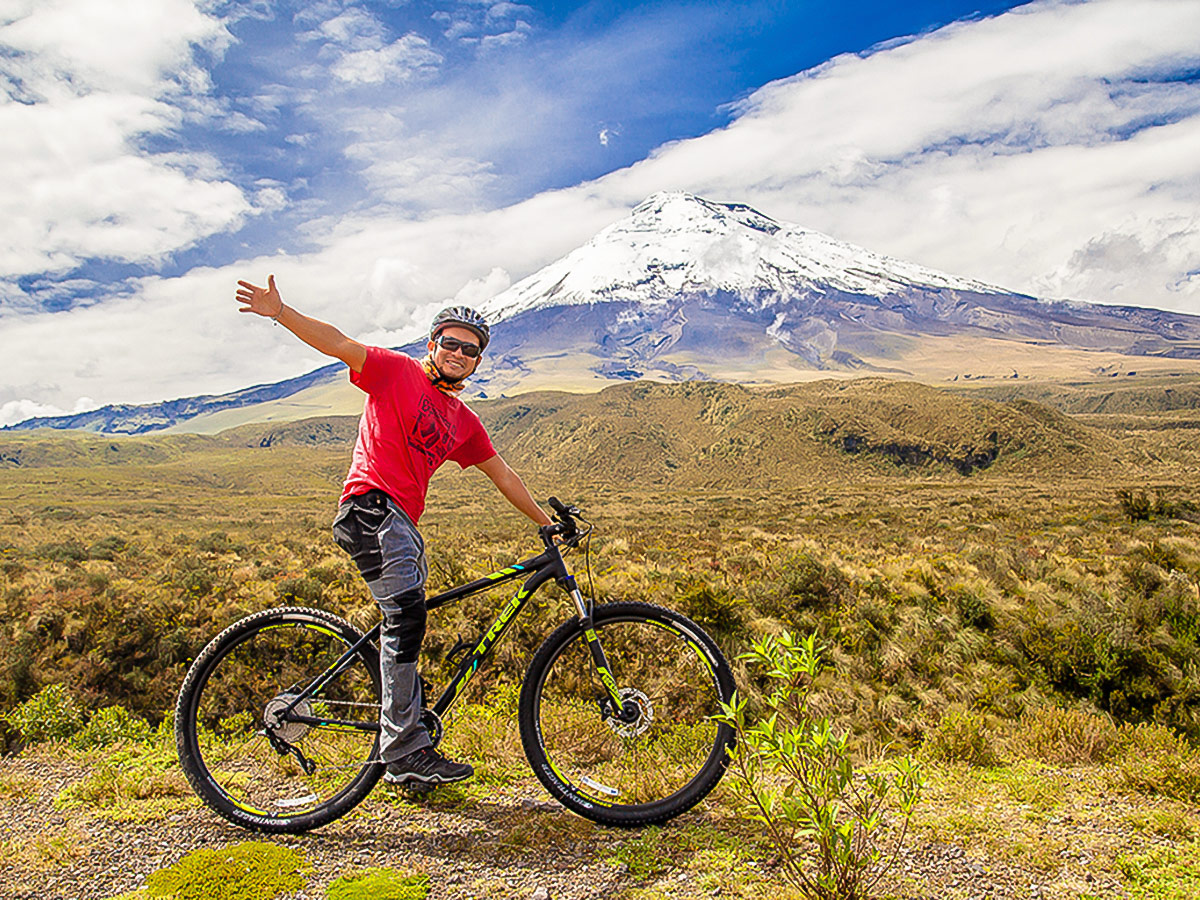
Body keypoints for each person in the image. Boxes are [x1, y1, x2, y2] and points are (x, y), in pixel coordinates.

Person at [235, 274, 552, 785]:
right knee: (406, 614)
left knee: (406, 620)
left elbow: (503, 475)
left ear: (476, 361)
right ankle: (403, 749)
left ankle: (406, 754)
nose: (457, 353)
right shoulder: (396, 371)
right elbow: (338, 343)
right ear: (432, 345)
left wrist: (547, 523)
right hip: (370, 508)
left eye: (469, 350)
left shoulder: (463, 420)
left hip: (402, 524)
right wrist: (280, 311)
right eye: (449, 343)